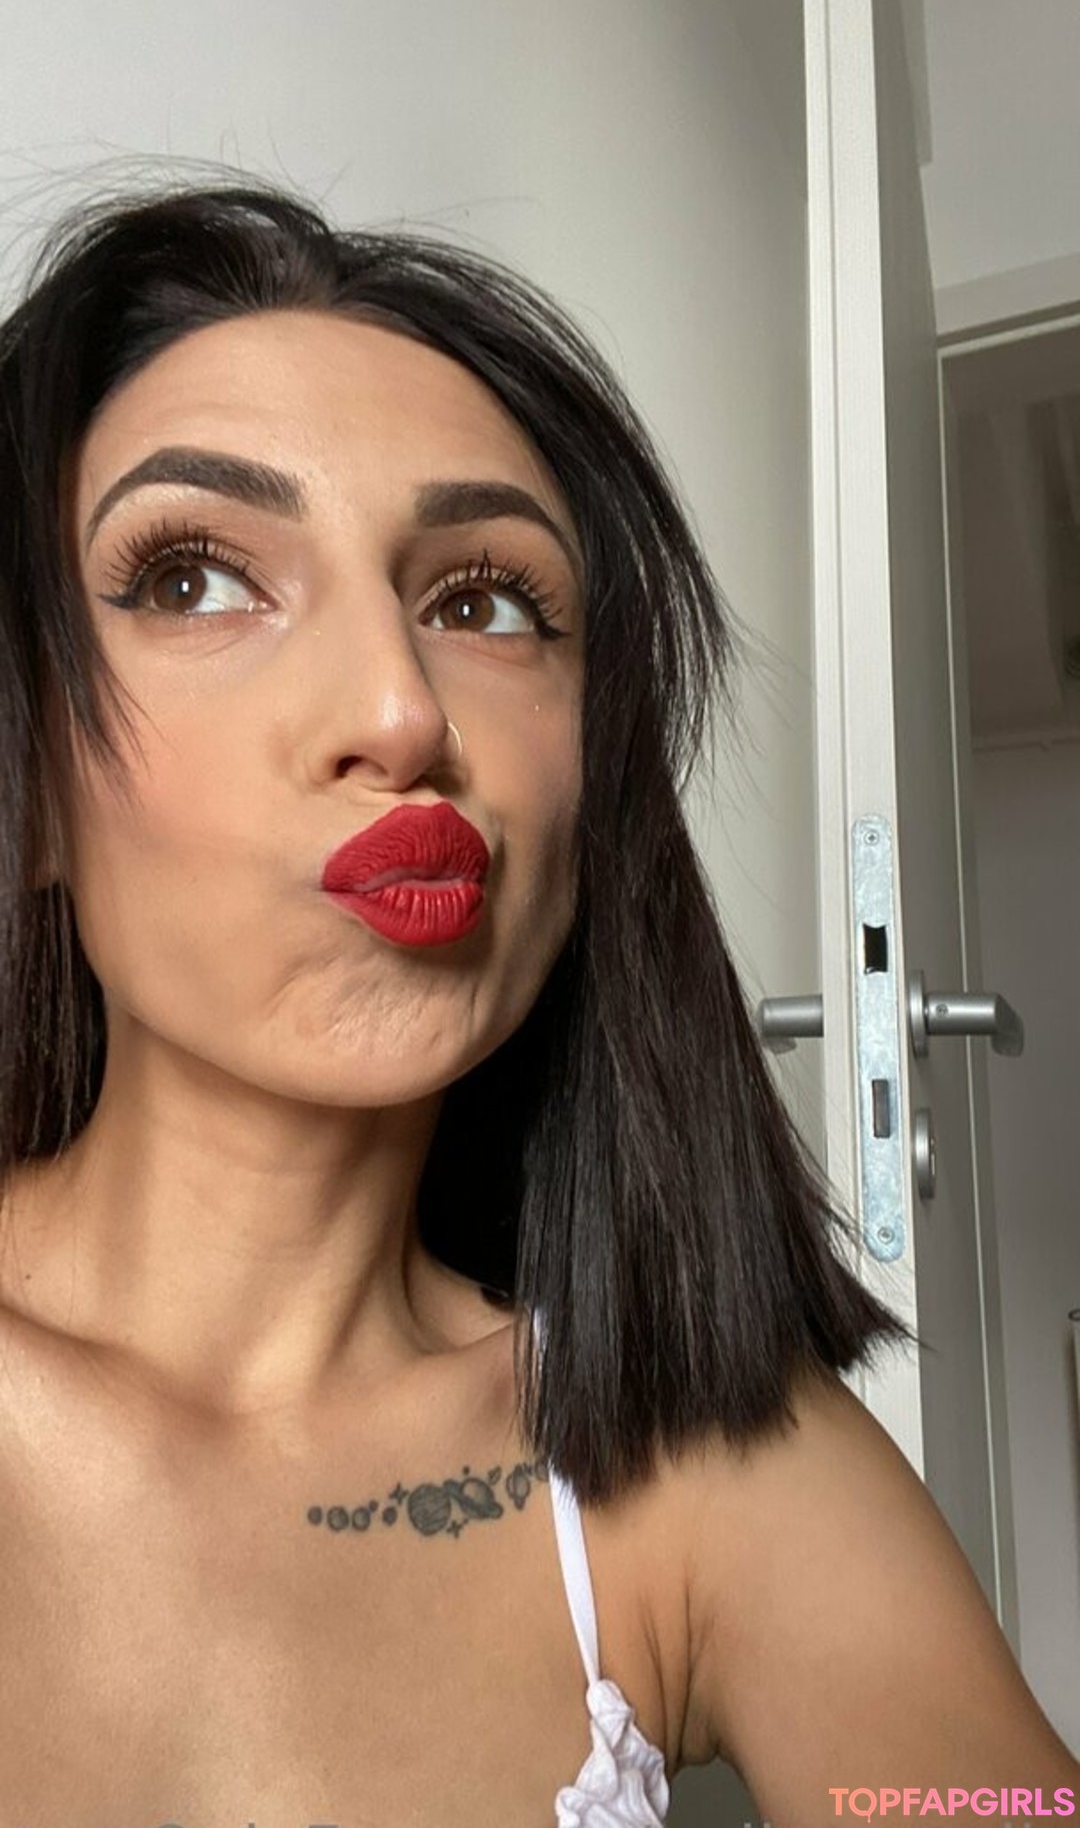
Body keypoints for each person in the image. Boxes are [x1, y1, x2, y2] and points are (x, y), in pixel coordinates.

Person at [0, 176, 1073, 1828]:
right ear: (31, 783)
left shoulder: (700, 1468)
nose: (399, 708)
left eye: (482, 603)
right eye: (195, 578)